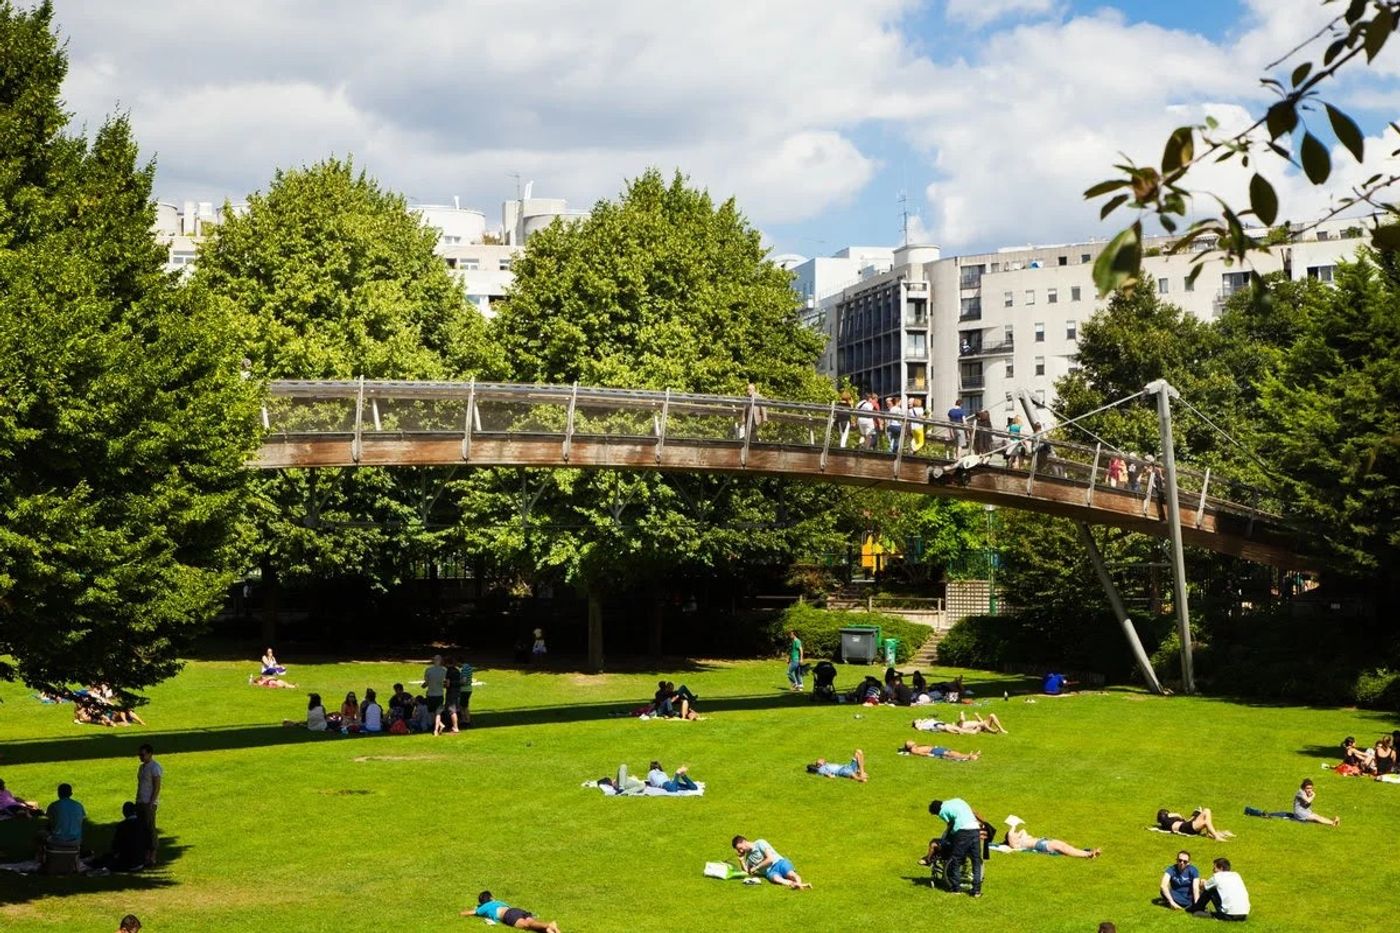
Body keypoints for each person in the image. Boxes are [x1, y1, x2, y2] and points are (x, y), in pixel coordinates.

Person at [929, 797, 983, 896]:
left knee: (956, 859)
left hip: (963, 831)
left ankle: (956, 889)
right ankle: (976, 891)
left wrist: (946, 838)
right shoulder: (958, 801)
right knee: (976, 861)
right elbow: (973, 812)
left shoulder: (942, 811)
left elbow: (950, 825)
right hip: (975, 829)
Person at [731, 835, 810, 889]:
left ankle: (799, 883)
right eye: (739, 850)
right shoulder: (748, 857)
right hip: (770, 872)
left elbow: (770, 859)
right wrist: (741, 860)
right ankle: (797, 885)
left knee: (791, 874)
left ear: (744, 842)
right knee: (777, 879)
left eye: (741, 848)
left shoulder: (760, 843)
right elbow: (748, 872)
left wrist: (756, 867)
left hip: (779, 862)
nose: (741, 851)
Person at [463, 890, 561, 932]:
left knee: (527, 926)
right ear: (491, 898)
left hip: (508, 915)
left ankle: (549, 925)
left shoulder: (483, 907)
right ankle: (549, 929)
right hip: (515, 910)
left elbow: (469, 913)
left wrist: (464, 912)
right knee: (532, 925)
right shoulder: (498, 902)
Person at [1188, 857, 1250, 921]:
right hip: (1243, 914)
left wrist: (1202, 882)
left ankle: (1196, 909)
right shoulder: (1236, 875)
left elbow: (1204, 887)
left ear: (1221, 868)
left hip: (1228, 915)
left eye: (1214, 868)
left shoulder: (1217, 877)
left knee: (1210, 890)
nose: (1213, 870)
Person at [1002, 817, 1100, 858]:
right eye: (1014, 833)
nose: (1015, 833)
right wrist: (1012, 825)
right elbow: (1010, 836)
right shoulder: (1016, 844)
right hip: (1040, 845)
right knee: (1064, 848)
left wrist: (1017, 830)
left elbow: (1022, 831)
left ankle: (1087, 853)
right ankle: (1088, 854)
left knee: (1066, 847)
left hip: (1045, 841)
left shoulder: (1022, 837)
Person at [99, 802, 149, 872]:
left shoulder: (122, 826)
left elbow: (116, 845)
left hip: (127, 863)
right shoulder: (143, 824)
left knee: (106, 859)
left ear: (124, 812)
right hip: (140, 862)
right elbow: (149, 842)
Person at [135, 744, 162, 866]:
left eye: (142, 754)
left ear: (150, 754)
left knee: (150, 829)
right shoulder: (141, 768)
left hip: (148, 803)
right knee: (142, 829)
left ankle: (152, 856)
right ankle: (145, 855)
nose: (140, 757)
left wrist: (152, 802)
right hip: (141, 801)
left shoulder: (155, 767)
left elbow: (157, 786)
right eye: (140, 754)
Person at [1156, 807, 1233, 841]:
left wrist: (1195, 814)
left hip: (1186, 827)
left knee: (1206, 811)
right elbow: (1178, 815)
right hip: (1186, 828)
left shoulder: (1167, 823)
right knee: (1206, 819)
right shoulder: (1167, 818)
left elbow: (1187, 821)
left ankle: (1211, 833)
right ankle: (1216, 836)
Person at [438, 659, 461, 735]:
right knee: (454, 709)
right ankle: (453, 725)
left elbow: (447, 684)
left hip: (451, 693)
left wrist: (442, 685)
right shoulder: (457, 670)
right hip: (457, 692)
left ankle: (455, 727)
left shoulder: (449, 671)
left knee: (452, 710)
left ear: (447, 663)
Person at [902, 740, 979, 761]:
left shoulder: (915, 747)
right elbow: (920, 753)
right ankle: (970, 757)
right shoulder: (913, 750)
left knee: (952, 752)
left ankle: (968, 755)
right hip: (934, 751)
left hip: (935, 749)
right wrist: (928, 755)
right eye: (909, 742)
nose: (911, 741)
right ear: (909, 746)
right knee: (950, 754)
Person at [458, 659, 475, 728]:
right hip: (469, 689)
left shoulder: (464, 669)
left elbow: (464, 681)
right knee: (464, 705)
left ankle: (466, 720)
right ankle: (465, 719)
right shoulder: (469, 667)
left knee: (463, 706)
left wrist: (457, 683)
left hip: (464, 689)